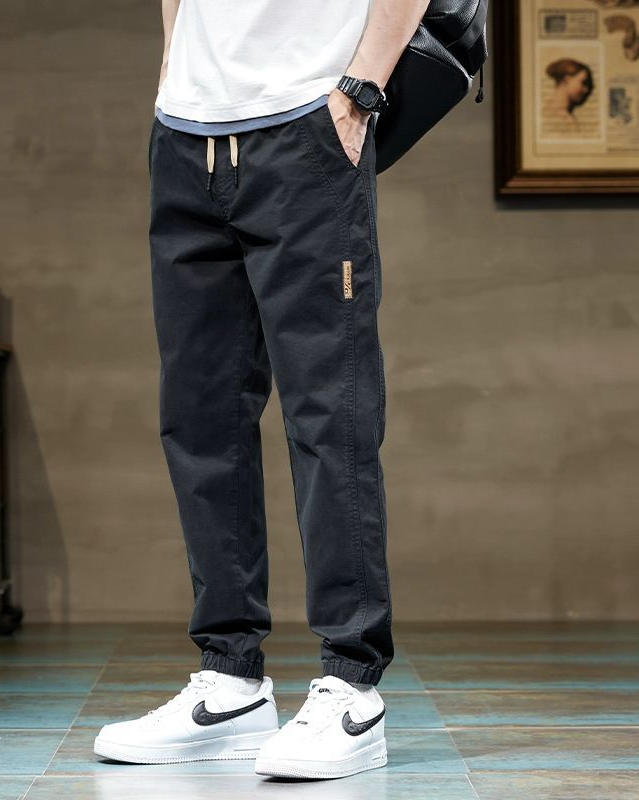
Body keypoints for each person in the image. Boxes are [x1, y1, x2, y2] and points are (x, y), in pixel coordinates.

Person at [95, 0, 428, 780]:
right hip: (186, 132)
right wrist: (173, 70)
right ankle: (230, 681)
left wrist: (362, 88)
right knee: (199, 417)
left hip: (308, 124)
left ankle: (351, 687)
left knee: (330, 414)